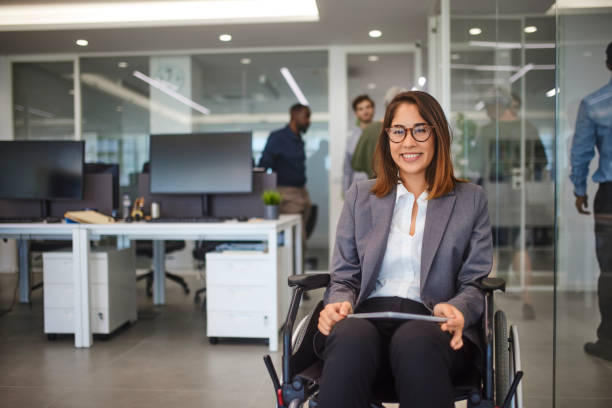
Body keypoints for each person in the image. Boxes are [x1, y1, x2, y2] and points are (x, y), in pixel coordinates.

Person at [317, 91, 493, 408]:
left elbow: (475, 283)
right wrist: (339, 304)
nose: (408, 142)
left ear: (438, 134)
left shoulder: (470, 199)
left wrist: (457, 308)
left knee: (415, 341)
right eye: (398, 131)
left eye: (420, 129)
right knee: (350, 339)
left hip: (433, 322)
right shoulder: (361, 195)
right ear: (387, 138)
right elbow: (344, 277)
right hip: (367, 314)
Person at [477, 89, 548, 320]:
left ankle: (490, 302)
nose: (488, 114)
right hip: (518, 191)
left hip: (494, 190)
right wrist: (525, 171)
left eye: (489, 108)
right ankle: (528, 299)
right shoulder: (528, 128)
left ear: (496, 106)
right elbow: (541, 162)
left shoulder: (488, 131)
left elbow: (478, 165)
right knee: (520, 246)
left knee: (493, 246)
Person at [570, 41, 612, 362]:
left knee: (609, 270)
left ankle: (608, 340)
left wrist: (579, 189)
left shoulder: (595, 103)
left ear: (608, 64)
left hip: (610, 196)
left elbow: (582, 153)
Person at [258, 103, 312, 254]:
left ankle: (298, 273)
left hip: (302, 193)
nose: (309, 121)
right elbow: (263, 164)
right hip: (286, 194)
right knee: (296, 241)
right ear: (294, 116)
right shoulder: (278, 137)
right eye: (306, 116)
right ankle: (294, 276)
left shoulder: (298, 139)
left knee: (301, 238)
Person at [343, 95, 375, 193]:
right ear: (356, 113)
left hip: (379, 185)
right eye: (360, 109)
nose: (365, 111)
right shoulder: (351, 139)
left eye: (368, 107)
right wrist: (346, 191)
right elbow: (347, 169)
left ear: (373, 109)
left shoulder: (381, 134)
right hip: (358, 188)